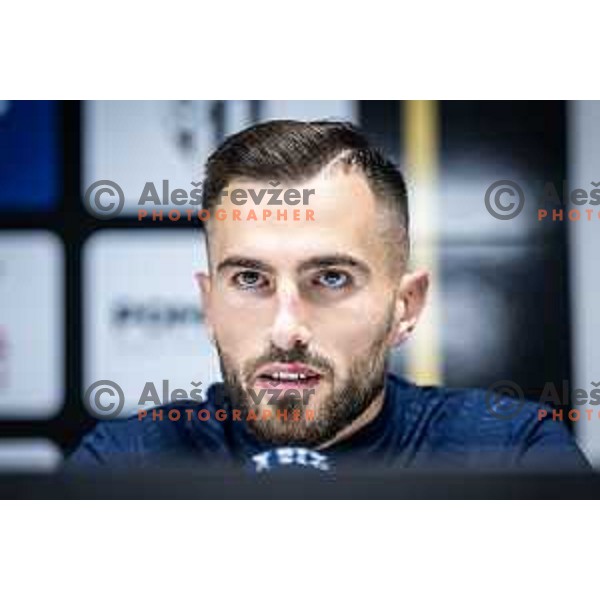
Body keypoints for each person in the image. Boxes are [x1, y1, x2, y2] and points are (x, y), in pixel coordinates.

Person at [69, 120, 588, 473]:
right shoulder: (125, 463)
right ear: (209, 306)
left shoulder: (510, 455)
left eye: (331, 279)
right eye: (250, 280)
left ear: (406, 305)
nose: (286, 329)